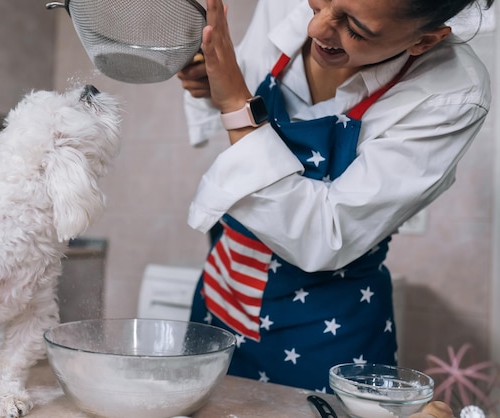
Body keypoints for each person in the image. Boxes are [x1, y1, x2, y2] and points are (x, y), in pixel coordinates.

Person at [178, 0, 493, 396]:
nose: (317, 29)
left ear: (424, 41)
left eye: (356, 30)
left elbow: (323, 236)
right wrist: (213, 83)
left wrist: (235, 107)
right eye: (318, 2)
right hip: (225, 291)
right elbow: (245, 102)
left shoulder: (452, 91)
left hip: (329, 331)